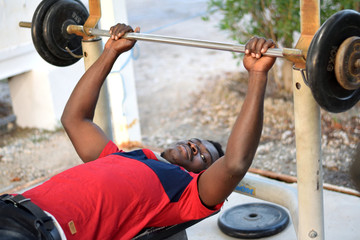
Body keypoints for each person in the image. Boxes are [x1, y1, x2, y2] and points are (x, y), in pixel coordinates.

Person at [0, 24, 276, 240]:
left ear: (202, 175)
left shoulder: (184, 193)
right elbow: (74, 119)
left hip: (38, 232)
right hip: (10, 208)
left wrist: (257, 76)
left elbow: (235, 163)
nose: (194, 148)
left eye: (202, 157)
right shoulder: (124, 157)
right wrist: (111, 51)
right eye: (195, 143)